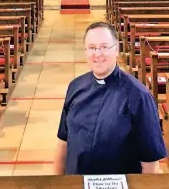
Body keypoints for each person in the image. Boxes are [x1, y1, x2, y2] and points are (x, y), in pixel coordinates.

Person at [54, 21, 167, 175]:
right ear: (85, 51)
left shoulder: (139, 96)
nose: (97, 54)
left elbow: (150, 163)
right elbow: (63, 141)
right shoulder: (75, 86)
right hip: (77, 183)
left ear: (116, 49)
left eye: (104, 47)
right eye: (92, 48)